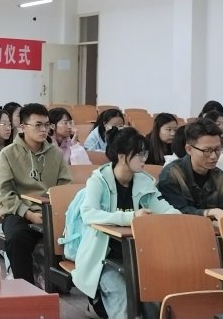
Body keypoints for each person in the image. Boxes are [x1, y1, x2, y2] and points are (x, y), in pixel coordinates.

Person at [72, 127, 179, 319]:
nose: (144, 158)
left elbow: (167, 210)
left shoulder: (144, 182)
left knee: (156, 301)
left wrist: (179, 220)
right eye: (139, 154)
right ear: (122, 157)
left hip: (140, 256)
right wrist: (131, 218)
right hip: (103, 257)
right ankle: (97, 302)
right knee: (123, 302)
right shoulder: (98, 180)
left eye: (145, 153)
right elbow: (88, 214)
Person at [0, 103, 71, 285]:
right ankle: (25, 287)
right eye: (38, 125)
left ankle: (60, 280)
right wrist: (28, 214)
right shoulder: (8, 154)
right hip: (19, 213)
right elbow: (4, 193)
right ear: (23, 127)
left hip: (50, 212)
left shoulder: (55, 153)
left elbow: (64, 185)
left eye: (46, 125)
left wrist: (53, 210)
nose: (44, 129)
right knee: (17, 238)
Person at [158, 119, 223, 220]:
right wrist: (210, 212)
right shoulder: (172, 174)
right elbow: (176, 212)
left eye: (217, 149)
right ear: (189, 149)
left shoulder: (221, 178)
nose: (213, 156)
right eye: (207, 150)